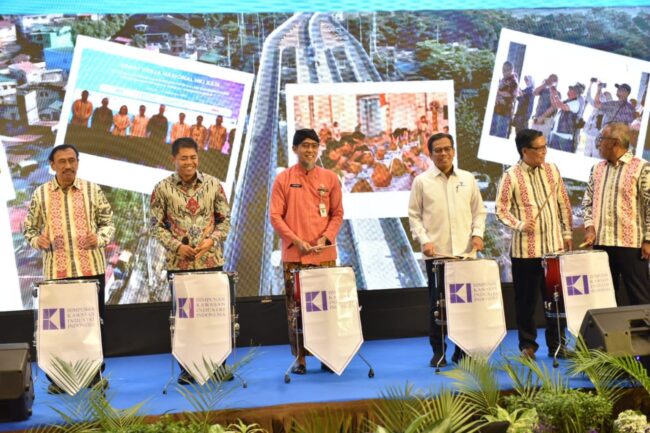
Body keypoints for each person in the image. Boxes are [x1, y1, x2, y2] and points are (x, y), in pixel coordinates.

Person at [23, 144, 115, 393]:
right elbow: (28, 229)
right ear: (52, 165)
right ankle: (61, 378)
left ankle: (95, 376)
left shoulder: (92, 190)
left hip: (90, 272)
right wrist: (37, 240)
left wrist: (101, 238)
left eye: (72, 160)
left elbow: (108, 223)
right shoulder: (41, 194)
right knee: (61, 329)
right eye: (62, 161)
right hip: (57, 274)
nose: (68, 166)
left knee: (94, 324)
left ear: (78, 162)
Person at [149, 137, 231, 384]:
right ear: (173, 159)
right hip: (179, 266)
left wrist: (212, 241)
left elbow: (224, 221)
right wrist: (177, 246)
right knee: (185, 319)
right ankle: (187, 368)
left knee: (214, 316)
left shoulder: (214, 185)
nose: (189, 162)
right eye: (183, 158)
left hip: (211, 262)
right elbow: (155, 225)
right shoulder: (161, 188)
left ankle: (219, 366)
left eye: (193, 157)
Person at [408, 133, 487, 367]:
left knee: (465, 306)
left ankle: (463, 352)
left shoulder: (468, 178)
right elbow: (414, 215)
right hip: (438, 255)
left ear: (453, 151)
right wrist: (424, 241)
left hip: (465, 255)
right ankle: (438, 351)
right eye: (437, 150)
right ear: (430, 154)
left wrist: (478, 234)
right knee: (437, 306)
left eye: (447, 149)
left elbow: (478, 211)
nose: (443, 154)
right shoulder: (422, 181)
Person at [269, 128, 343, 375]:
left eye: (313, 145)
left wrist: (326, 237)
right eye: (304, 146)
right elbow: (275, 216)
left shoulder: (330, 178)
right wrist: (296, 240)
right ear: (295, 149)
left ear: (318, 148)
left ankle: (327, 354)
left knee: (325, 308)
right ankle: (300, 359)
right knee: (296, 309)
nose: (309, 150)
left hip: (324, 255)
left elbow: (337, 214)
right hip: (295, 256)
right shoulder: (283, 179)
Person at [495, 129, 573, 360]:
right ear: (525, 151)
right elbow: (500, 209)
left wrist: (567, 234)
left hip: (554, 249)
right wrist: (519, 224)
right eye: (539, 148)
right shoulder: (511, 176)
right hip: (525, 252)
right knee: (526, 302)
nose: (543, 152)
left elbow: (563, 203)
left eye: (545, 146)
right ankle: (527, 346)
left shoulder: (553, 170)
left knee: (556, 300)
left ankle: (557, 345)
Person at [582, 122, 650, 305]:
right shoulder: (597, 169)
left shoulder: (642, 168)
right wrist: (589, 227)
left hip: (632, 245)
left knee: (639, 298)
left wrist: (648, 240)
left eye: (601, 139)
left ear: (614, 142)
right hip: (601, 243)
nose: (598, 144)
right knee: (604, 299)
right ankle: (611, 334)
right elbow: (587, 201)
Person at [548, 83, 585, 152]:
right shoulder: (567, 101)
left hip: (563, 137)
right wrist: (552, 94)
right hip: (555, 134)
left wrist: (555, 95)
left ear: (575, 93)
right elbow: (555, 104)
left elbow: (563, 106)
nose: (569, 91)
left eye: (571, 90)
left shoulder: (576, 103)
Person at [490, 61, 518, 138]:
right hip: (497, 109)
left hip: (505, 112)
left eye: (506, 70)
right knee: (492, 132)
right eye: (503, 69)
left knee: (500, 135)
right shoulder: (504, 79)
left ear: (511, 70)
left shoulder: (513, 81)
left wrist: (497, 91)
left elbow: (510, 94)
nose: (503, 72)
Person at [530, 74, 559, 140]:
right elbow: (534, 92)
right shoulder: (544, 90)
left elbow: (553, 107)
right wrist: (545, 84)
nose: (550, 81)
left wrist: (542, 117)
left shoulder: (557, 93)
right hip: (537, 117)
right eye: (549, 79)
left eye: (553, 80)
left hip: (546, 120)